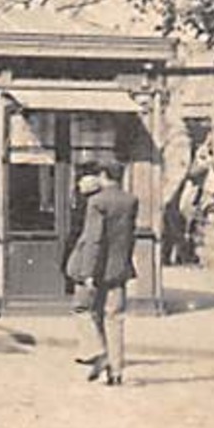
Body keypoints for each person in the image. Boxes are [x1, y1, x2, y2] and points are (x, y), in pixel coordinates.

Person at [65, 161, 140, 386]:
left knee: (82, 309)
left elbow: (94, 239)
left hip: (95, 269)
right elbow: (129, 236)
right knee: (115, 319)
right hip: (118, 270)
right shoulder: (131, 200)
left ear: (103, 175)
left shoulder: (97, 202)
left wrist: (88, 272)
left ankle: (99, 353)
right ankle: (116, 372)